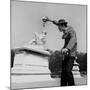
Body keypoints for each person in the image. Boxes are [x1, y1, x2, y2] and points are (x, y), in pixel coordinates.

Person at [43, 17, 77, 86]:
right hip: (65, 55)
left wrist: (67, 48)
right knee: (63, 72)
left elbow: (73, 39)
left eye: (59, 27)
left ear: (62, 26)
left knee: (68, 71)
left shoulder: (71, 30)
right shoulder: (64, 29)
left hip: (71, 54)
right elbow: (56, 23)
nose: (58, 28)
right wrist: (49, 19)